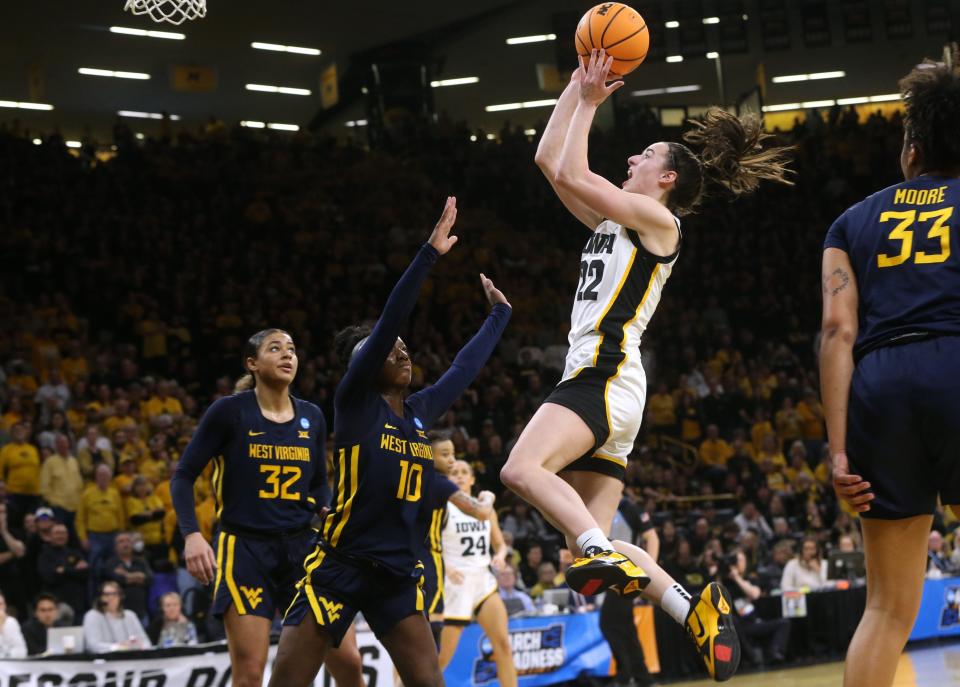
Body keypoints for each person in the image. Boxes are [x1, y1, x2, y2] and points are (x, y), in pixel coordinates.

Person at [500, 49, 791, 682]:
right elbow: (552, 164)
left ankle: (601, 552)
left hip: (602, 375)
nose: (631, 159)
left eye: (644, 156)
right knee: (591, 532)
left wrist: (593, 104)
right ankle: (690, 608)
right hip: (617, 392)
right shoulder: (616, 222)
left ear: (666, 180)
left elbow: (576, 173)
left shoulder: (661, 222)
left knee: (522, 469)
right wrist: (575, 92)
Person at [269, 197, 512, 687]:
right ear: (368, 361)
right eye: (390, 349)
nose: (402, 352)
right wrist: (428, 254)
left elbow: (462, 370)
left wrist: (499, 316)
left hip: (398, 575)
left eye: (405, 349)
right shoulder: (356, 401)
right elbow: (391, 321)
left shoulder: (420, 413)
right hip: (339, 564)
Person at [820, 48, 960, 687]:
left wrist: (840, 450)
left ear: (911, 147)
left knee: (886, 607)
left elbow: (836, 331)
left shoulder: (850, 222)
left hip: (880, 386)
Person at [170, 329, 364, 687]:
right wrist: (192, 534)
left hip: (303, 548)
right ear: (252, 363)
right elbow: (183, 476)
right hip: (244, 549)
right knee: (249, 675)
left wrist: (324, 509)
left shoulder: (313, 417)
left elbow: (319, 481)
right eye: (275, 349)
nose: (287, 355)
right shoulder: (229, 412)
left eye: (292, 349)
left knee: (349, 661)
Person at [437, 461, 516, 687]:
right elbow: (428, 544)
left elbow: (500, 544)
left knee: (503, 646)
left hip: (483, 581)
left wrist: (500, 555)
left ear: (472, 479)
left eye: (464, 473)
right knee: (441, 658)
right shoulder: (443, 507)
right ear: (447, 480)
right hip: (455, 583)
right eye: (454, 473)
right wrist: (446, 567)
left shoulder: (485, 508)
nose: (459, 476)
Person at [420, 433, 496, 644]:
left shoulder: (413, 476)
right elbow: (482, 512)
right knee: (431, 635)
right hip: (431, 560)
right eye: (445, 455)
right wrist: (488, 497)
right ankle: (424, 677)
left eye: (453, 454)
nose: (452, 460)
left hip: (408, 557)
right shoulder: (440, 484)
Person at [600, 495, 659, 687]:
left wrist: (648, 570)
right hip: (613, 575)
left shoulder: (630, 508)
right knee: (626, 629)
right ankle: (641, 678)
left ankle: (625, 676)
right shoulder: (602, 508)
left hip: (627, 574)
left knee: (608, 623)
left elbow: (652, 538)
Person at [82, 581, 151, 652]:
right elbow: (92, 645)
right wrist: (119, 647)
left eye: (114, 594)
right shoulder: (93, 615)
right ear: (100, 598)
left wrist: (140, 647)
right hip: (107, 660)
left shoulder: (130, 615)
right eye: (106, 594)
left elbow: (146, 642)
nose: (110, 597)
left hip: (133, 658)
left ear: (121, 597)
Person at [38, 522, 89, 617]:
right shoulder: (44, 555)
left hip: (77, 604)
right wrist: (73, 570)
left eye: (63, 533)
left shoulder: (75, 553)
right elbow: (49, 577)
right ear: (50, 536)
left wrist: (64, 570)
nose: (61, 536)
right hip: (56, 605)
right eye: (57, 533)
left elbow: (85, 574)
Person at [0, 591, 27, 658]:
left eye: (0, 604)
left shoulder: (11, 622)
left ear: (5, 605)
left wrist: (1, 626)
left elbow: (21, 651)